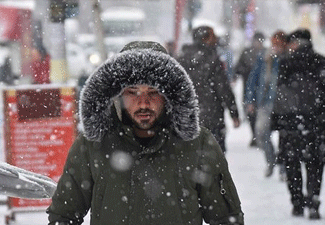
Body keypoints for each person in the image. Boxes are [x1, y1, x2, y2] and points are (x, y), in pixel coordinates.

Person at [47, 41, 244, 225]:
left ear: (168, 95)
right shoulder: (92, 145)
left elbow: (226, 218)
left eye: (153, 92)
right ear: (119, 95)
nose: (143, 103)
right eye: (133, 92)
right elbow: (64, 216)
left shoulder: (197, 143)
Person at [273, 28, 325, 219]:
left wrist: (277, 121)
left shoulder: (287, 63)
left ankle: (297, 202)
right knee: (315, 164)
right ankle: (313, 200)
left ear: (298, 43)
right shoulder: (321, 61)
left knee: (292, 163)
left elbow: (279, 95)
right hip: (316, 123)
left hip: (291, 123)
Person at [178, 26, 240, 153]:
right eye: (213, 36)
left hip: (188, 118)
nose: (216, 39)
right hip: (212, 117)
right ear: (205, 38)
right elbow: (223, 89)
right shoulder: (213, 59)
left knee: (192, 158)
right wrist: (234, 113)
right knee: (215, 158)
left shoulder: (181, 59)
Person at [245, 31, 288, 178]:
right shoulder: (264, 57)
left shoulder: (288, 59)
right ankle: (272, 161)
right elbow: (253, 78)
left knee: (285, 137)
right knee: (261, 133)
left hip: (284, 104)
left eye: (279, 43)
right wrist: (250, 100)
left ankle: (283, 166)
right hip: (265, 101)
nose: (276, 46)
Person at [234, 32, 266, 147]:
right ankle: (255, 135)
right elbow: (238, 67)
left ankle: (259, 135)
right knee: (250, 112)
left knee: (261, 112)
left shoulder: (266, 53)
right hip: (248, 86)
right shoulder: (247, 52)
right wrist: (239, 74)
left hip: (262, 87)